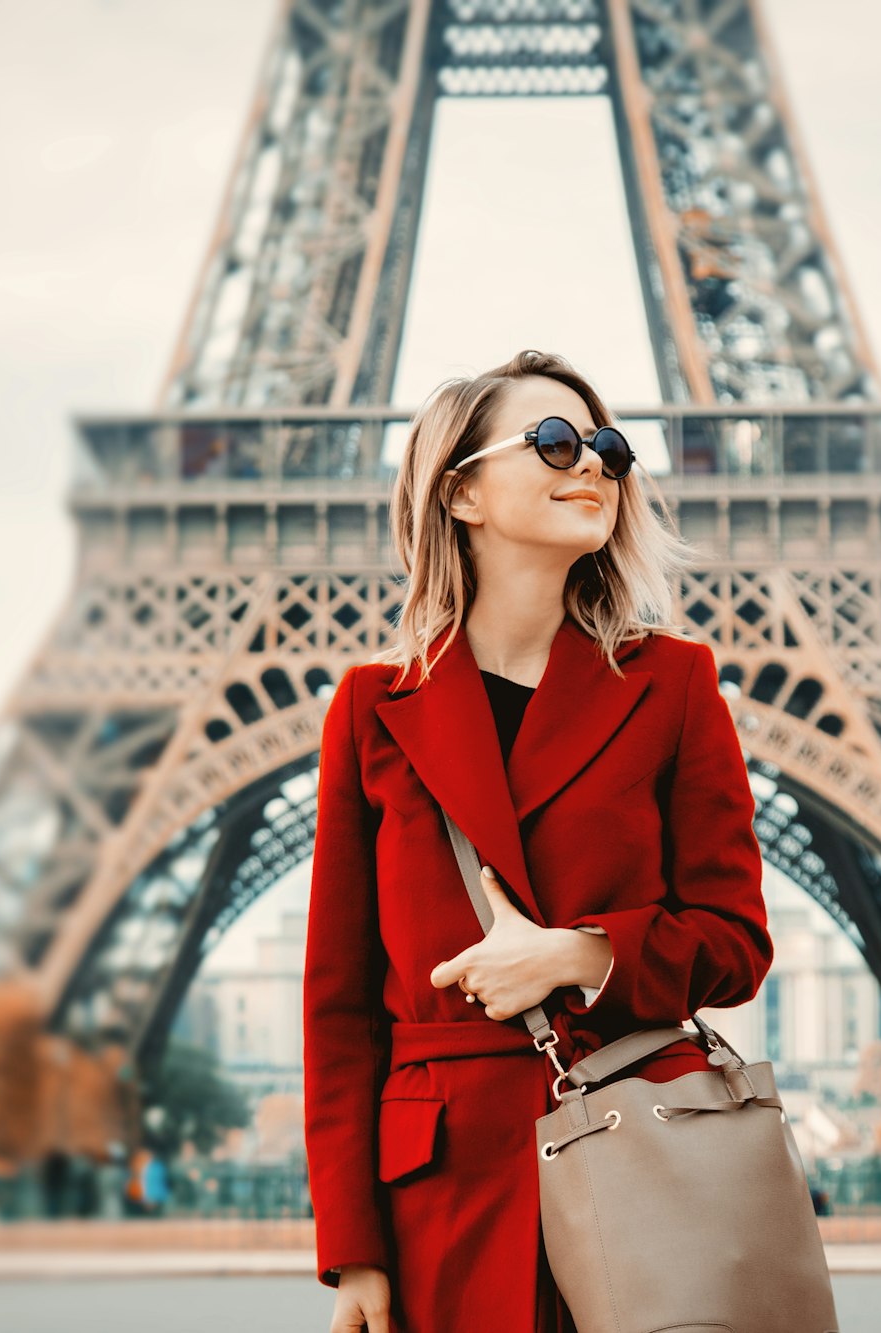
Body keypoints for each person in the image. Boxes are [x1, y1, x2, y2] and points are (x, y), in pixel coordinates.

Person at [304, 350, 775, 1333]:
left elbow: (734, 941)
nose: (593, 464)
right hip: (442, 1199)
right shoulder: (368, 708)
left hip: (637, 1170)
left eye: (606, 446)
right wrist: (350, 1249)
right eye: (555, 443)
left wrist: (579, 952)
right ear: (462, 491)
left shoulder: (675, 684)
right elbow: (339, 1004)